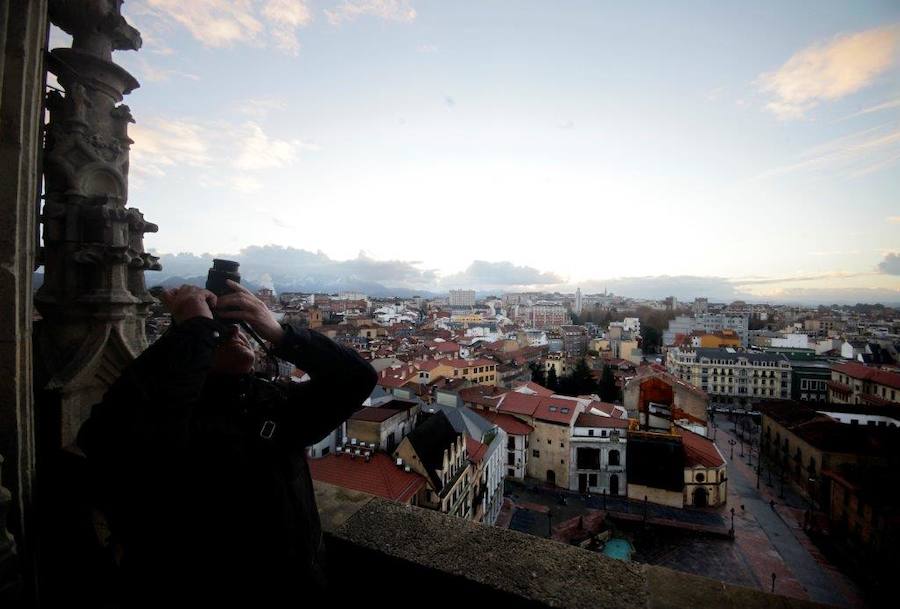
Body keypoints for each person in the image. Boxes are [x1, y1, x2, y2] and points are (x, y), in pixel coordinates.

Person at [77, 280, 377, 607]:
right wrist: (194, 330)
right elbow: (109, 438)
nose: (234, 333)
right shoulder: (174, 421)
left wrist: (280, 333)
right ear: (193, 354)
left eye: (236, 328)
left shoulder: (271, 407)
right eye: (218, 332)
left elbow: (358, 378)